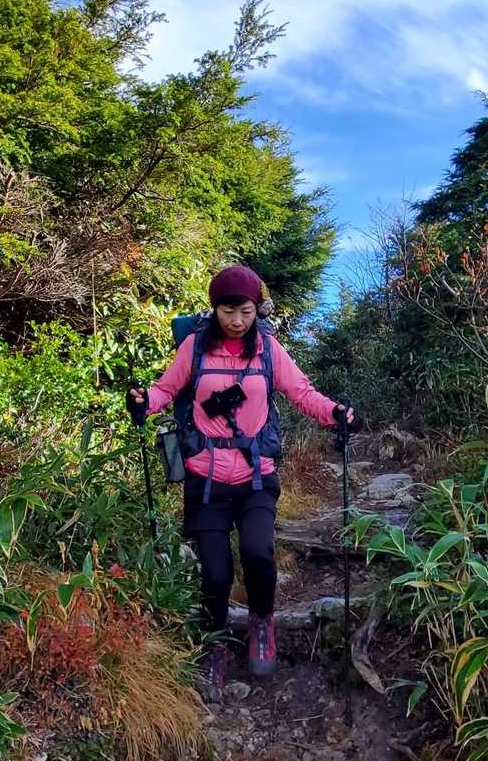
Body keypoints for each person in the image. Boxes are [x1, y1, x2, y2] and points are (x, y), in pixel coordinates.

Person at [127, 266, 358, 701]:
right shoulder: (196, 346)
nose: (237, 320)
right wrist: (143, 402)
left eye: (246, 311)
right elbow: (165, 390)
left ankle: (262, 623)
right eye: (228, 311)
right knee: (215, 573)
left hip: (256, 477)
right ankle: (215, 644)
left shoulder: (268, 349)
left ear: (257, 310)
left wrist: (335, 414)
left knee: (257, 552)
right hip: (205, 479)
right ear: (215, 309)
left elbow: (301, 393)